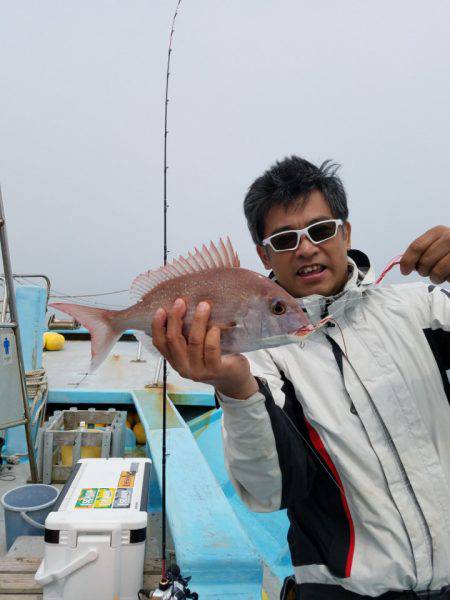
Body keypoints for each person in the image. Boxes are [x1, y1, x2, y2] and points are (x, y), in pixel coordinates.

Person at [152, 156, 450, 599]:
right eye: (285, 238)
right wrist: (236, 391)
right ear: (263, 254)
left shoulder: (423, 310)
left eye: (322, 229)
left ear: (345, 232)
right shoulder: (258, 360)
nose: (306, 247)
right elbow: (269, 491)